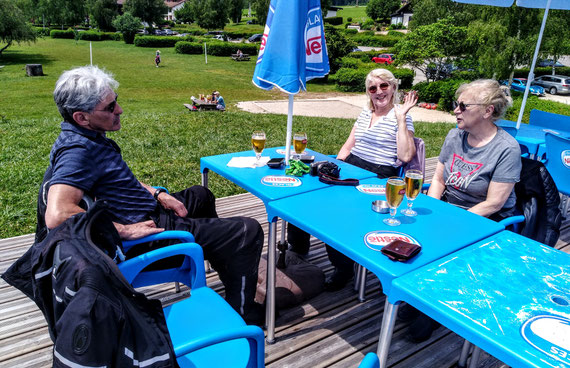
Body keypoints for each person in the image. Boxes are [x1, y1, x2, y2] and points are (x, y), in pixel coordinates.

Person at [44, 66, 265, 324]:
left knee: (200, 194)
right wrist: (122, 230)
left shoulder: (85, 136)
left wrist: (158, 193)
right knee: (247, 231)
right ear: (81, 117)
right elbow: (57, 214)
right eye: (109, 107)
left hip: (148, 210)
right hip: (148, 236)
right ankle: (242, 313)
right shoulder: (77, 151)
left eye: (116, 101)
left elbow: (116, 177)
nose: (119, 110)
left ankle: (225, 262)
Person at [402, 79, 522, 342]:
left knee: (446, 245)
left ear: (487, 111)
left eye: (463, 105)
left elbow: (494, 203)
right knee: (413, 230)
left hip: (486, 218)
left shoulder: (506, 149)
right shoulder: (455, 135)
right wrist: (432, 210)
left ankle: (432, 310)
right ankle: (416, 297)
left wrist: (451, 221)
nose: (456, 110)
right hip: (449, 207)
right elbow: (439, 180)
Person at [287, 68, 418, 291]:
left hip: (379, 174)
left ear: (393, 88)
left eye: (384, 86)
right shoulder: (365, 113)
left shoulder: (400, 117)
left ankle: (344, 268)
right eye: (373, 88)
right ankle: (298, 248)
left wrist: (402, 117)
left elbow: (405, 156)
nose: (379, 92)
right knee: (303, 196)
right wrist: (334, 166)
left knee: (336, 212)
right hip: (352, 166)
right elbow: (349, 145)